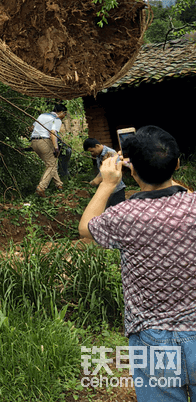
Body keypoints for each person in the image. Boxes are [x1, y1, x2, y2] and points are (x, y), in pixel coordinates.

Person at [79, 126, 196, 401]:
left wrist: (107, 184)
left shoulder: (124, 216)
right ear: (177, 164)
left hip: (152, 338)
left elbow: (86, 228)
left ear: (131, 171)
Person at [29, 103, 67, 196]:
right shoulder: (56, 119)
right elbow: (52, 133)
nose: (64, 117)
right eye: (65, 114)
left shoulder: (42, 115)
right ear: (61, 112)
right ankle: (41, 187)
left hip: (34, 142)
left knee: (51, 164)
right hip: (44, 142)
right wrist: (56, 148)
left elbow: (32, 128)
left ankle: (59, 185)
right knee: (52, 166)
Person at [82, 137, 126, 209]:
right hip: (107, 190)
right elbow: (101, 171)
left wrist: (94, 182)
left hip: (116, 190)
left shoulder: (110, 153)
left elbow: (106, 173)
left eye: (92, 151)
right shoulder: (99, 155)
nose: (92, 154)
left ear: (97, 146)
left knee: (119, 213)